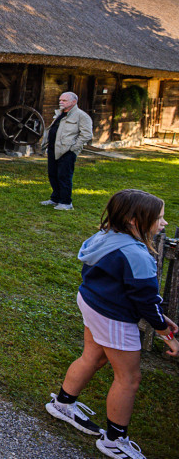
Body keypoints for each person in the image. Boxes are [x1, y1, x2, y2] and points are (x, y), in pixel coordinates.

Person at [44, 189, 178, 459]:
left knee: (92, 357)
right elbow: (146, 300)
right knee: (129, 379)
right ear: (133, 220)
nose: (163, 223)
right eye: (159, 218)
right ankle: (115, 441)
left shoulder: (105, 236)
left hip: (92, 302)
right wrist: (167, 334)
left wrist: (156, 314)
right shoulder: (137, 255)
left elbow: (135, 293)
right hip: (114, 317)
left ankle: (62, 404)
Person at [41, 92, 93, 212]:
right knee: (53, 174)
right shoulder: (60, 114)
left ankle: (66, 202)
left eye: (64, 100)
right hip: (54, 149)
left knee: (64, 176)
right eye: (60, 100)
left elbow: (87, 134)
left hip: (67, 151)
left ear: (73, 102)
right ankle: (55, 198)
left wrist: (74, 148)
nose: (61, 102)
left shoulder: (81, 116)